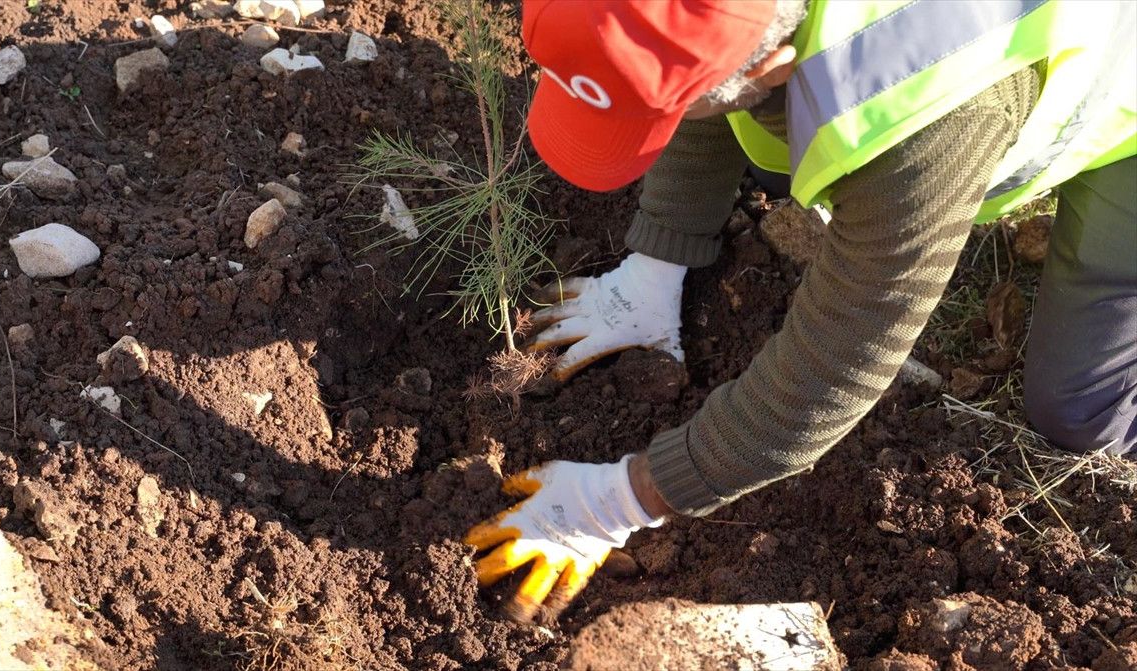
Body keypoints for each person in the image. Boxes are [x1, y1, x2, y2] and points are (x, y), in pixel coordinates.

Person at [465, 0, 1137, 622]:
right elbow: (694, 68)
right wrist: (655, 262)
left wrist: (622, 499)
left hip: (1118, 87)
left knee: (1084, 410)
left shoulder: (921, 119)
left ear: (772, 63)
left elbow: (842, 358)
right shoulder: (752, 28)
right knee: (779, 146)